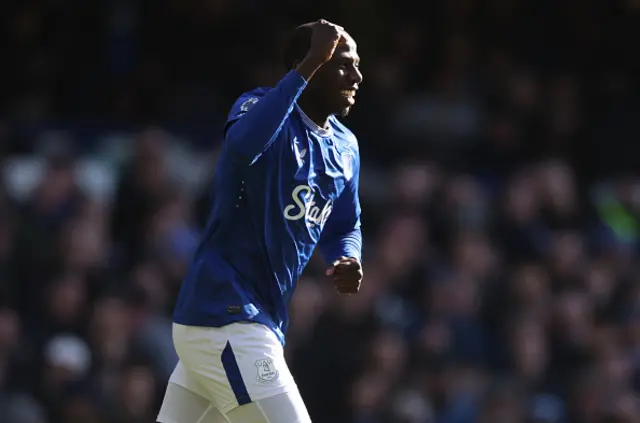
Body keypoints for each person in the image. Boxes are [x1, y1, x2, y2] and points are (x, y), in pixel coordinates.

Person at [157, 19, 364, 423]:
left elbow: (344, 225)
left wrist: (348, 256)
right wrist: (305, 69)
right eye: (341, 63)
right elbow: (243, 147)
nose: (356, 76)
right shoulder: (258, 106)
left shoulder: (345, 146)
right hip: (226, 313)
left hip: (249, 322)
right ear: (309, 65)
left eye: (357, 64)